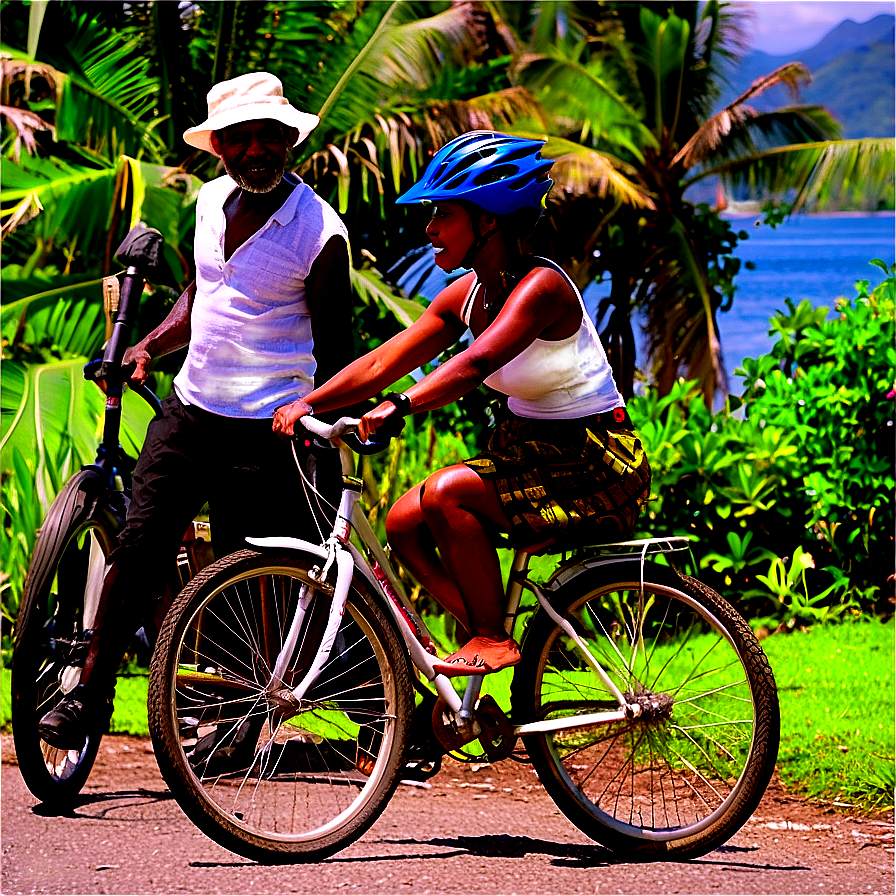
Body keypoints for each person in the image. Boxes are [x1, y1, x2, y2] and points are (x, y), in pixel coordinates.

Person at [39, 72, 353, 748]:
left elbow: (338, 350)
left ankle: (243, 722)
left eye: (270, 135)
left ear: (290, 140)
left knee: (247, 578)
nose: (257, 149)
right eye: (240, 139)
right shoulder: (210, 203)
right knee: (140, 548)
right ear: (220, 149)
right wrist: (151, 344)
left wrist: (317, 420)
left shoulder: (320, 233)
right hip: (193, 410)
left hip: (271, 429)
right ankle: (89, 697)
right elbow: (201, 294)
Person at [273, 130, 651, 677]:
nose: (429, 229)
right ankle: (491, 641)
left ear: (489, 220)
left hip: (592, 461)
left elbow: (475, 366)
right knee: (403, 522)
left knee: (447, 494)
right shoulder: (466, 294)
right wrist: (307, 401)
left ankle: (492, 637)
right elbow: (384, 361)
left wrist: (398, 406)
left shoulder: (542, 287)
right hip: (528, 453)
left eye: (442, 214)